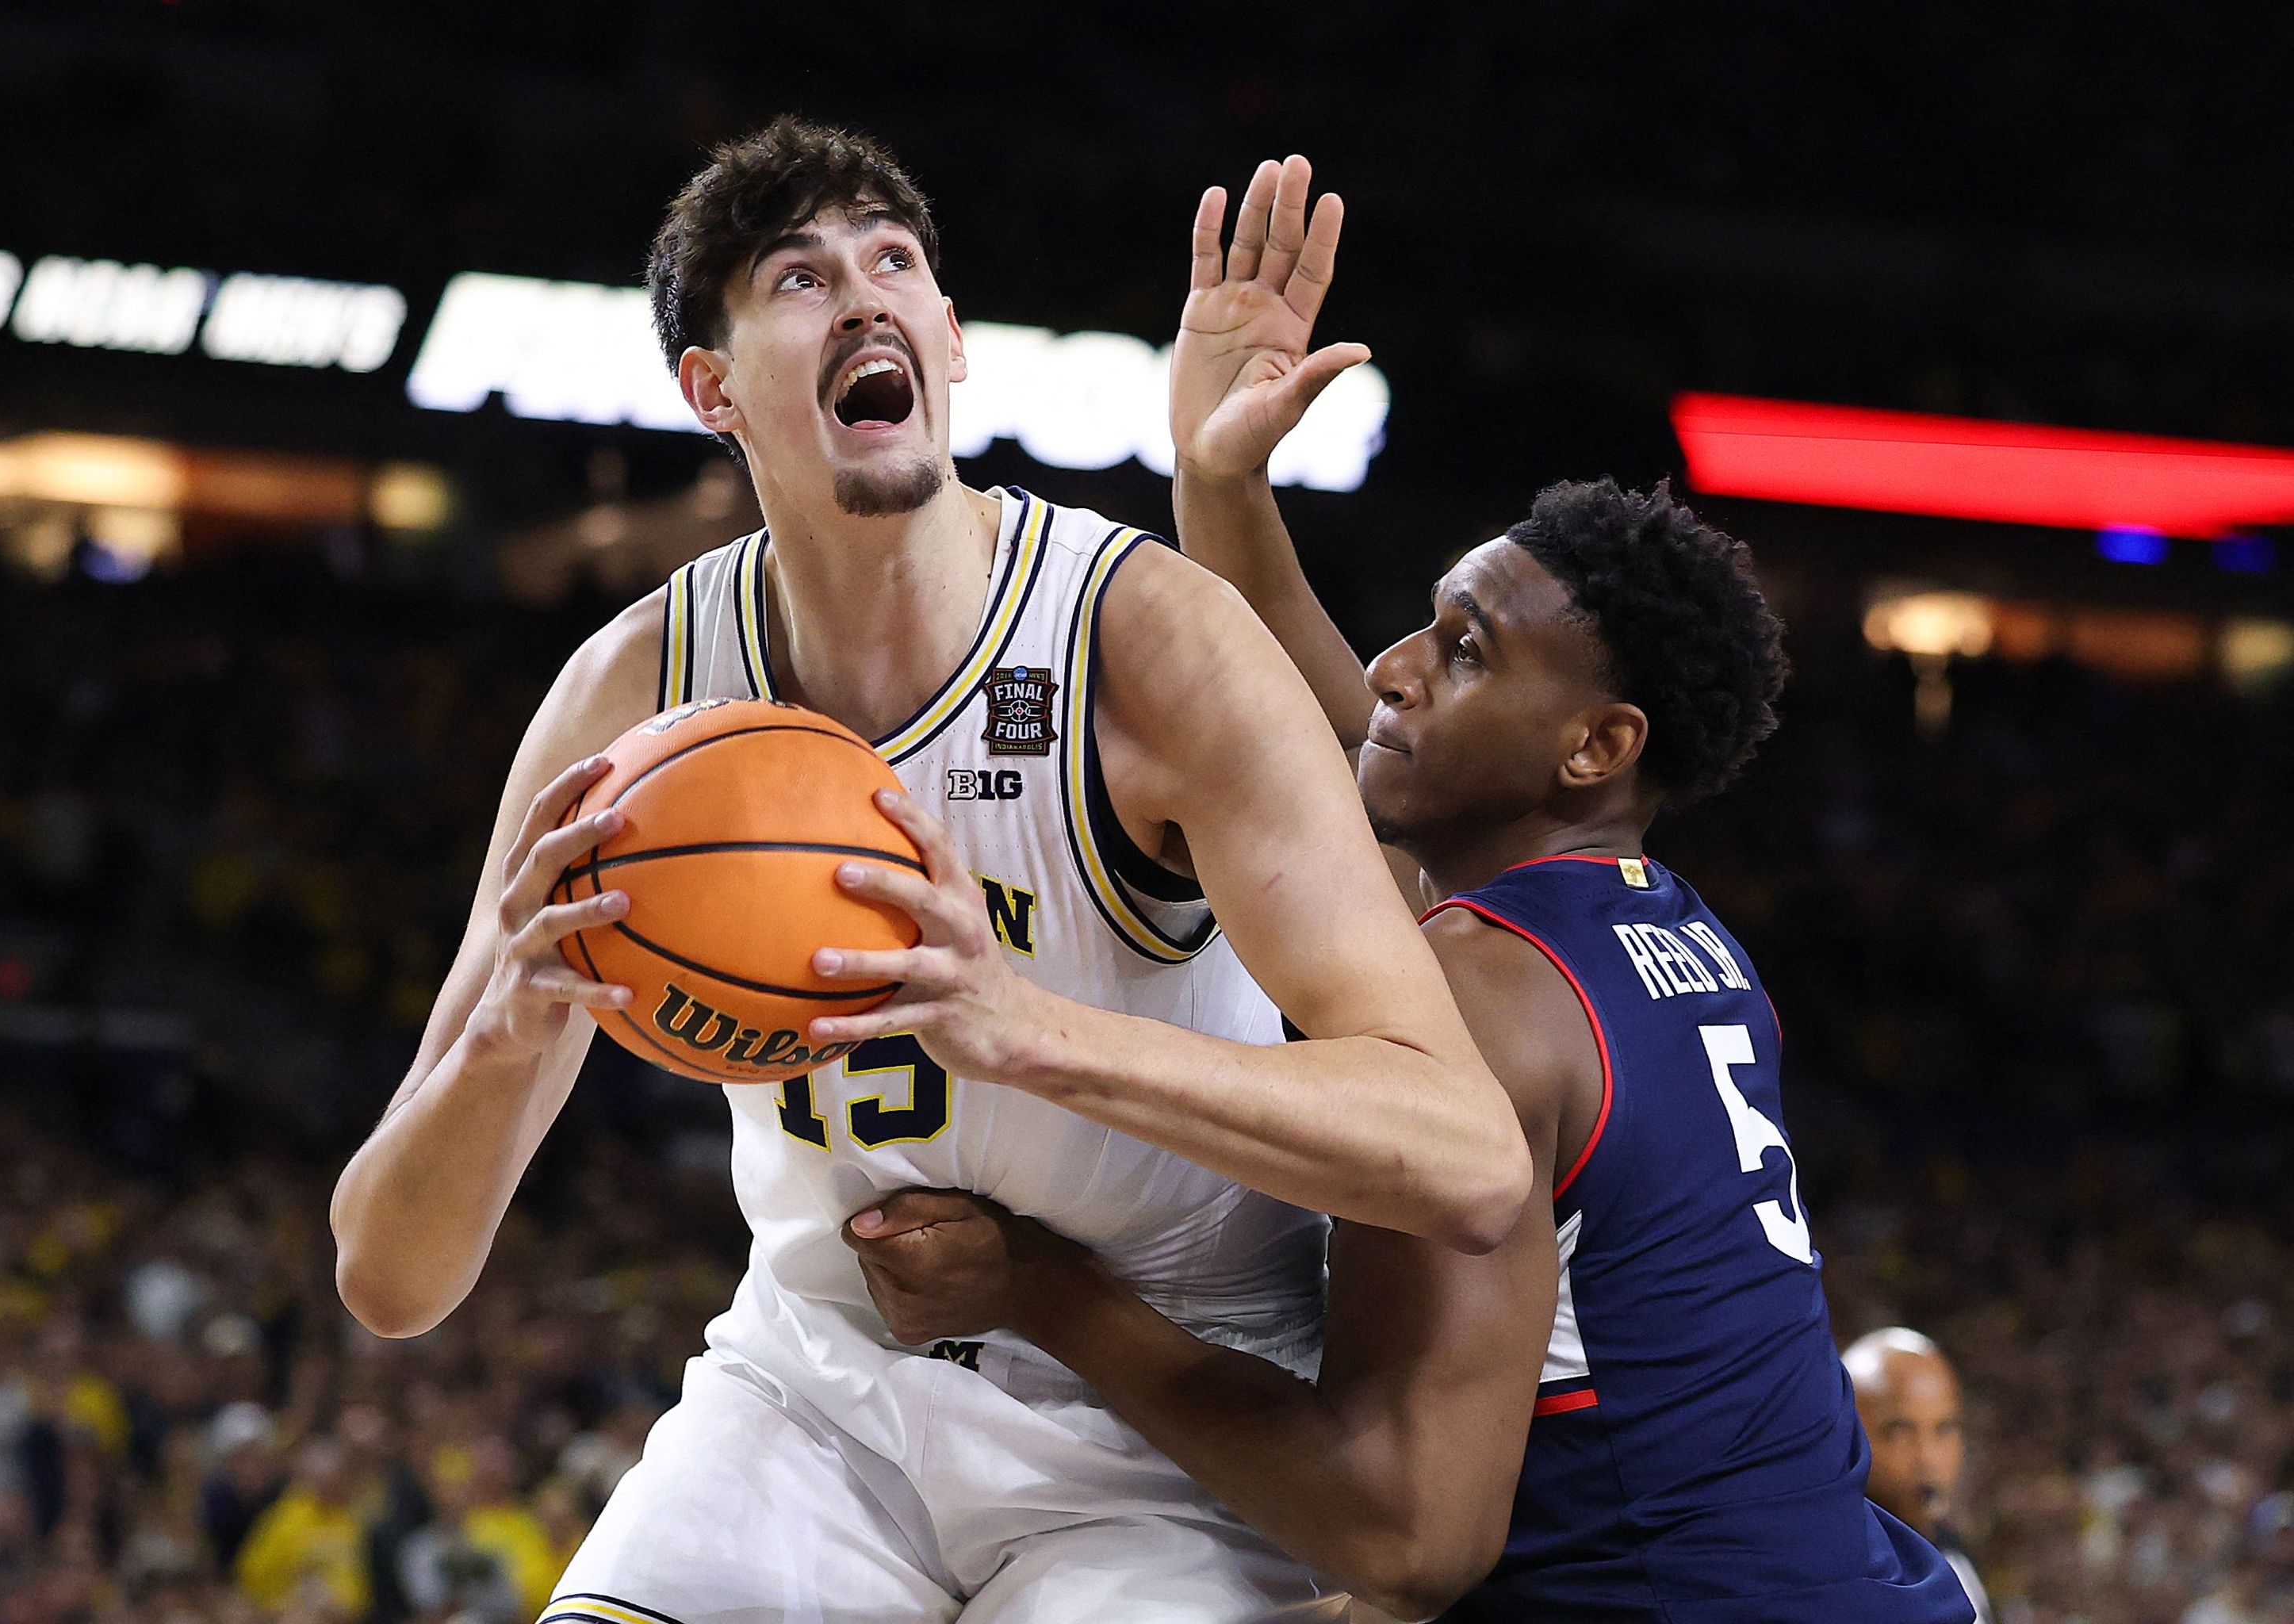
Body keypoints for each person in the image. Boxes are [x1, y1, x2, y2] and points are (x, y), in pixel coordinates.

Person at [329, 119, 1531, 1624]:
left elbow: (1464, 1151)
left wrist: (1026, 1027)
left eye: (892, 262)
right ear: (711, 390)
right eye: (796, 279)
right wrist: (501, 1038)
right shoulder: (633, 701)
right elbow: (389, 1277)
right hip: (814, 1386)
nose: (862, 298)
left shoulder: (1144, 645)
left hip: (1167, 1406)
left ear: (949, 344)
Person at [842, 157, 1974, 1623]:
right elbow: (1330, 743)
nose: (1394, 668)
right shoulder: (1664, 932)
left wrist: (1043, 1291)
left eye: (1463, 650)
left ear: (1593, 745)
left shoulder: (1477, 1000)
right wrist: (1218, 479)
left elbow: (1402, 1531)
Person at [1847, 1327, 1994, 1622]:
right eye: (1900, 1431)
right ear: (1846, 1435)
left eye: (1944, 1429)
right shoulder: (1830, 1577)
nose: (1927, 1458)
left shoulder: (1949, 1549)